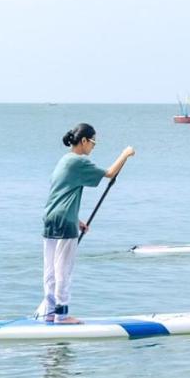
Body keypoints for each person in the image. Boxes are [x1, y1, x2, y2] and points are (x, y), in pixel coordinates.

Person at [37, 123, 135, 324]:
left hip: (50, 218)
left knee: (50, 270)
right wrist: (125, 154)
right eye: (93, 143)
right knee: (63, 269)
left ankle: (49, 312)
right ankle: (61, 315)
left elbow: (61, 195)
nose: (93, 147)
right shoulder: (78, 161)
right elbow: (109, 173)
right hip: (64, 222)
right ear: (83, 141)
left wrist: (77, 220)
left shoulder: (64, 161)